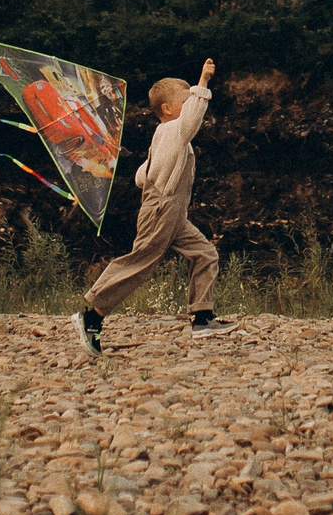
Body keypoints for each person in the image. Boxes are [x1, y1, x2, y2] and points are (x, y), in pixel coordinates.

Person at [74, 58, 233, 351]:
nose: (191, 105)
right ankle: (93, 316)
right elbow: (191, 121)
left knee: (204, 253)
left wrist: (153, 177)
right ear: (168, 110)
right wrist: (203, 82)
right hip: (162, 209)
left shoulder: (166, 137)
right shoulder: (174, 130)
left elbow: (140, 177)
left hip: (171, 212)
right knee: (142, 261)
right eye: (185, 102)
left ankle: (202, 318)